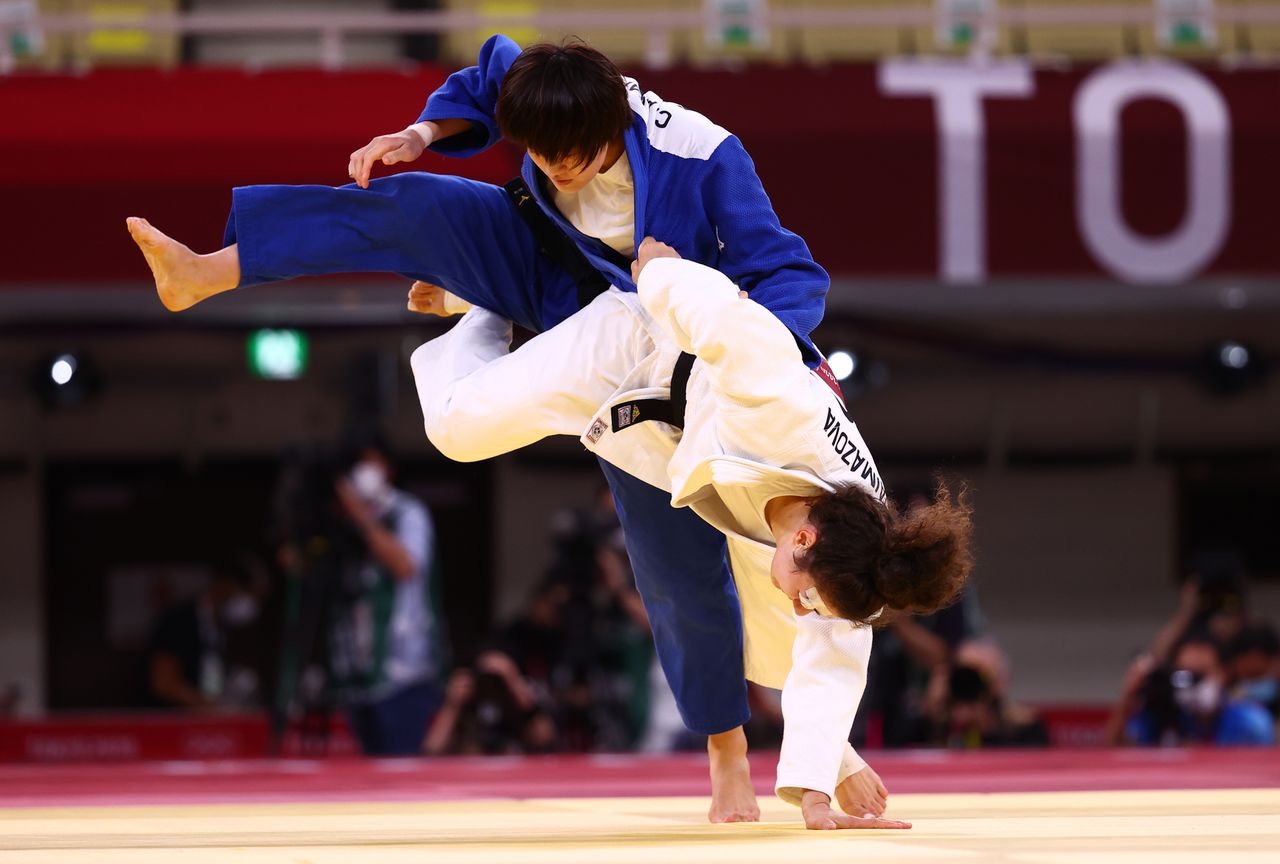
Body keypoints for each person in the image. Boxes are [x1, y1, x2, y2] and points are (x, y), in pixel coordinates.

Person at [126, 34, 831, 822]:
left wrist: (755, 361)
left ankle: (728, 757)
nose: (560, 171)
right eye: (544, 156)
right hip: (540, 259)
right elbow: (483, 72)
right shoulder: (538, 85)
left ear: (614, 127)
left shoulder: (703, 156)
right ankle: (205, 272)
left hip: (659, 355)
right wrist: (419, 134)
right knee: (412, 200)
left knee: (674, 563)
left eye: (574, 158)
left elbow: (790, 273)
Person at [409, 241, 975, 829]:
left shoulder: (859, 555)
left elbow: (835, 653)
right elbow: (730, 320)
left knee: (800, 641)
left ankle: (831, 755)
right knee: (454, 427)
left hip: (675, 433)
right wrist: (662, 273)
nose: (800, 603)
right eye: (808, 591)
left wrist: (816, 792)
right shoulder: (781, 404)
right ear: (804, 540)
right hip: (637, 350)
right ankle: (483, 306)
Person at [327, 431, 446, 756]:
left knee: (403, 770)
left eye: (372, 462)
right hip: (356, 668)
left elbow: (406, 566)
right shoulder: (341, 520)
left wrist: (362, 518)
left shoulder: (407, 513)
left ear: (388, 467)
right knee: (367, 781)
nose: (365, 471)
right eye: (357, 464)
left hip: (404, 670)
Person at [1108, 635, 1275, 747]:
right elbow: (1116, 747)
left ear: (1223, 674)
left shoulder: (1251, 720)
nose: (1193, 685)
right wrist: (1128, 695)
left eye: (1201, 675)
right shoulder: (1163, 715)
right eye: (1186, 675)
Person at [142, 558, 262, 710]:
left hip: (206, 723)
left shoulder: (223, 627)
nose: (251, 604)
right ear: (225, 585)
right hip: (165, 721)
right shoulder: (179, 619)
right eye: (248, 595)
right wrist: (210, 707)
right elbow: (163, 683)